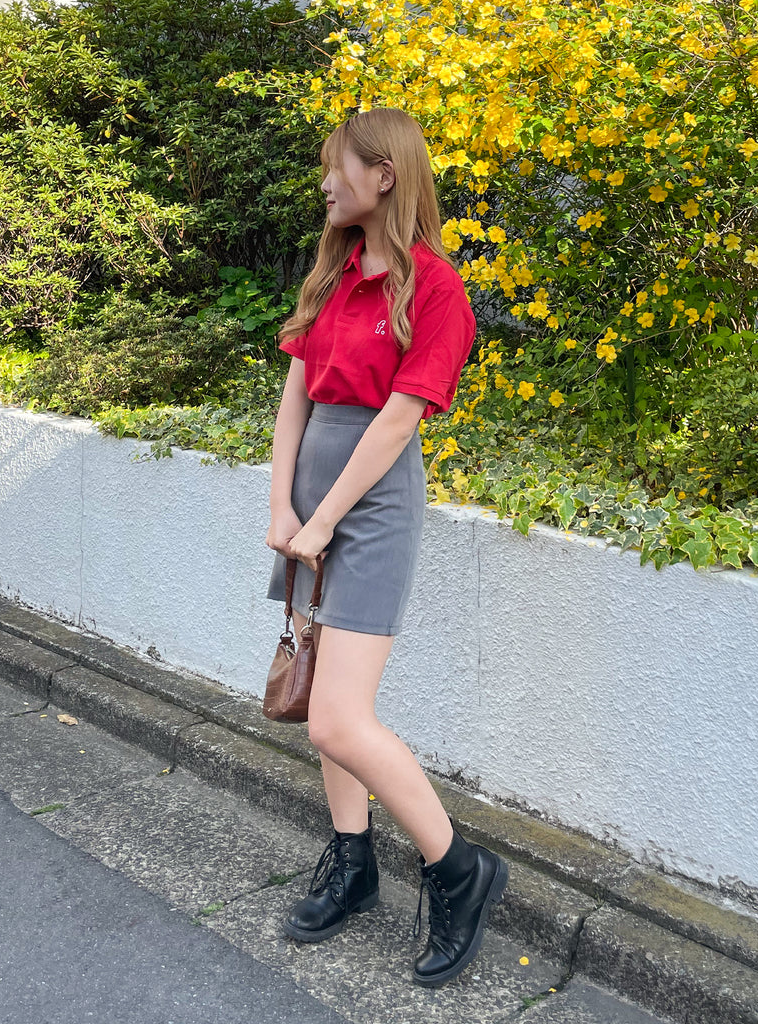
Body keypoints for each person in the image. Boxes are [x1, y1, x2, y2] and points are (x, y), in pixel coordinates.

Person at [265, 107, 507, 988]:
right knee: (315, 693)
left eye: (337, 167)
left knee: (338, 716)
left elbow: (399, 421)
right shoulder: (331, 275)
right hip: (309, 503)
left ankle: (459, 870)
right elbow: (295, 397)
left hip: (368, 505)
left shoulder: (436, 290)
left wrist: (325, 519)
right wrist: (282, 507)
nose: (325, 183)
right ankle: (353, 862)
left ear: (384, 175)